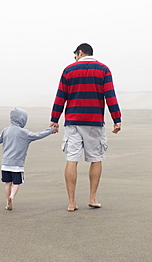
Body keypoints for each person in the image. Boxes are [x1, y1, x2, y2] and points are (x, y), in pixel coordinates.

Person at [50, 43, 121, 212]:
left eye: (75, 55)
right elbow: (110, 95)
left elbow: (61, 96)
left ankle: (71, 202)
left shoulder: (68, 70)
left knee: (72, 159)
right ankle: (92, 198)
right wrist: (116, 119)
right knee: (96, 158)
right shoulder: (103, 70)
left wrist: (54, 119)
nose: (75, 58)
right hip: (94, 121)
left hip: (73, 121)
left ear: (80, 52)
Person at [0, 107, 55, 211]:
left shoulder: (5, 131)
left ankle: (7, 202)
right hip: (17, 164)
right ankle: (12, 196)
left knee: (7, 183)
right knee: (16, 183)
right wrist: (51, 130)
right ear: (22, 120)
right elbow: (38, 135)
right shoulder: (24, 133)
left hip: (5, 163)